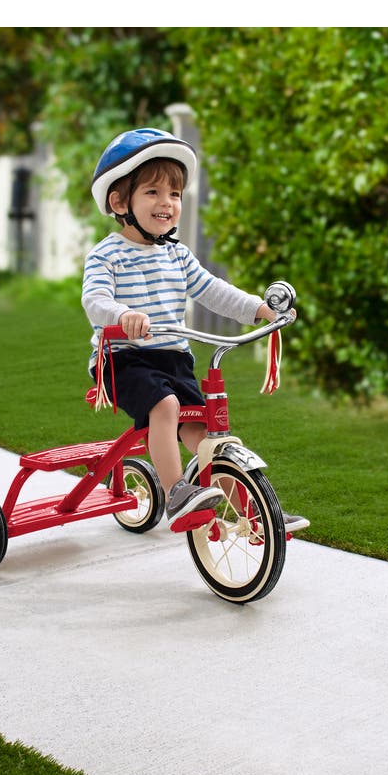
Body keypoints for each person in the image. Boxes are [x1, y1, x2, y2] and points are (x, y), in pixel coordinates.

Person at [82, 127, 309, 533]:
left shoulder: (177, 255)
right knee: (165, 408)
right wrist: (123, 315)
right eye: (152, 192)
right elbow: (94, 300)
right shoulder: (107, 254)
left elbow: (213, 291)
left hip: (173, 358)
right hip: (123, 360)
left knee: (204, 431)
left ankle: (256, 514)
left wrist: (259, 309)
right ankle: (176, 493)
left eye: (174, 194)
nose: (166, 202)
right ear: (120, 201)